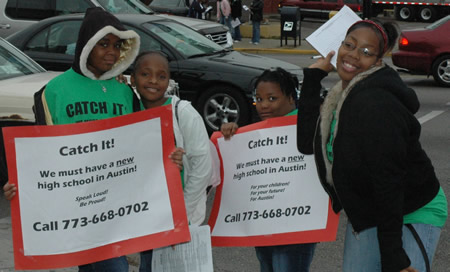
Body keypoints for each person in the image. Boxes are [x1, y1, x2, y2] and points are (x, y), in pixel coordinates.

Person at [297, 19, 447, 272]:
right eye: (349, 45)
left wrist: (394, 257)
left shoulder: (374, 105)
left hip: (411, 208)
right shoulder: (340, 96)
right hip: (370, 211)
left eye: (366, 52)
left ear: (378, 62)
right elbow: (307, 144)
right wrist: (313, 78)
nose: (353, 56)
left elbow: (388, 181)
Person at [4, 7, 141, 272]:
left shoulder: (125, 92)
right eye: (103, 44)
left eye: (116, 45)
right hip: (76, 204)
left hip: (114, 206)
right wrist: (21, 184)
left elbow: (138, 147)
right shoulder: (54, 91)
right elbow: (41, 151)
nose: (111, 52)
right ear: (86, 45)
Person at [221, 68, 317, 272]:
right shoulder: (257, 131)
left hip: (296, 227)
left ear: (292, 98)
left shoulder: (306, 128)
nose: (264, 105)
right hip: (264, 223)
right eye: (259, 99)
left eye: (272, 98)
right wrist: (232, 136)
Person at [130, 51, 213, 272]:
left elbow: (202, 167)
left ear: (169, 80)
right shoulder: (129, 111)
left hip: (181, 217)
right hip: (147, 215)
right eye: (145, 74)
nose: (153, 82)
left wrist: (180, 214)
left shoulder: (182, 112)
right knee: (148, 265)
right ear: (132, 78)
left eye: (161, 76)